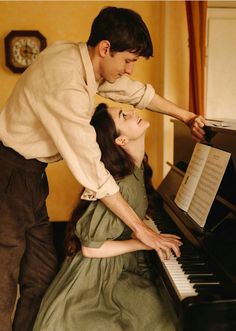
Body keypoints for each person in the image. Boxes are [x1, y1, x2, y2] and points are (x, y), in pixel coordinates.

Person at [0, 6, 205, 331]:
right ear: (105, 48)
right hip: (9, 174)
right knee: (3, 284)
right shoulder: (65, 84)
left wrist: (186, 116)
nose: (129, 69)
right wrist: (142, 232)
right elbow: (91, 170)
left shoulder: (82, 61)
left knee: (39, 275)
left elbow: (134, 92)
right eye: (127, 61)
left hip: (31, 177)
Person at [33, 103, 181, 331]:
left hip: (115, 267)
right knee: (159, 317)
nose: (133, 112)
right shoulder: (120, 185)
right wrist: (142, 241)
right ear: (120, 141)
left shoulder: (137, 168)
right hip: (97, 279)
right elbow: (91, 249)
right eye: (124, 115)